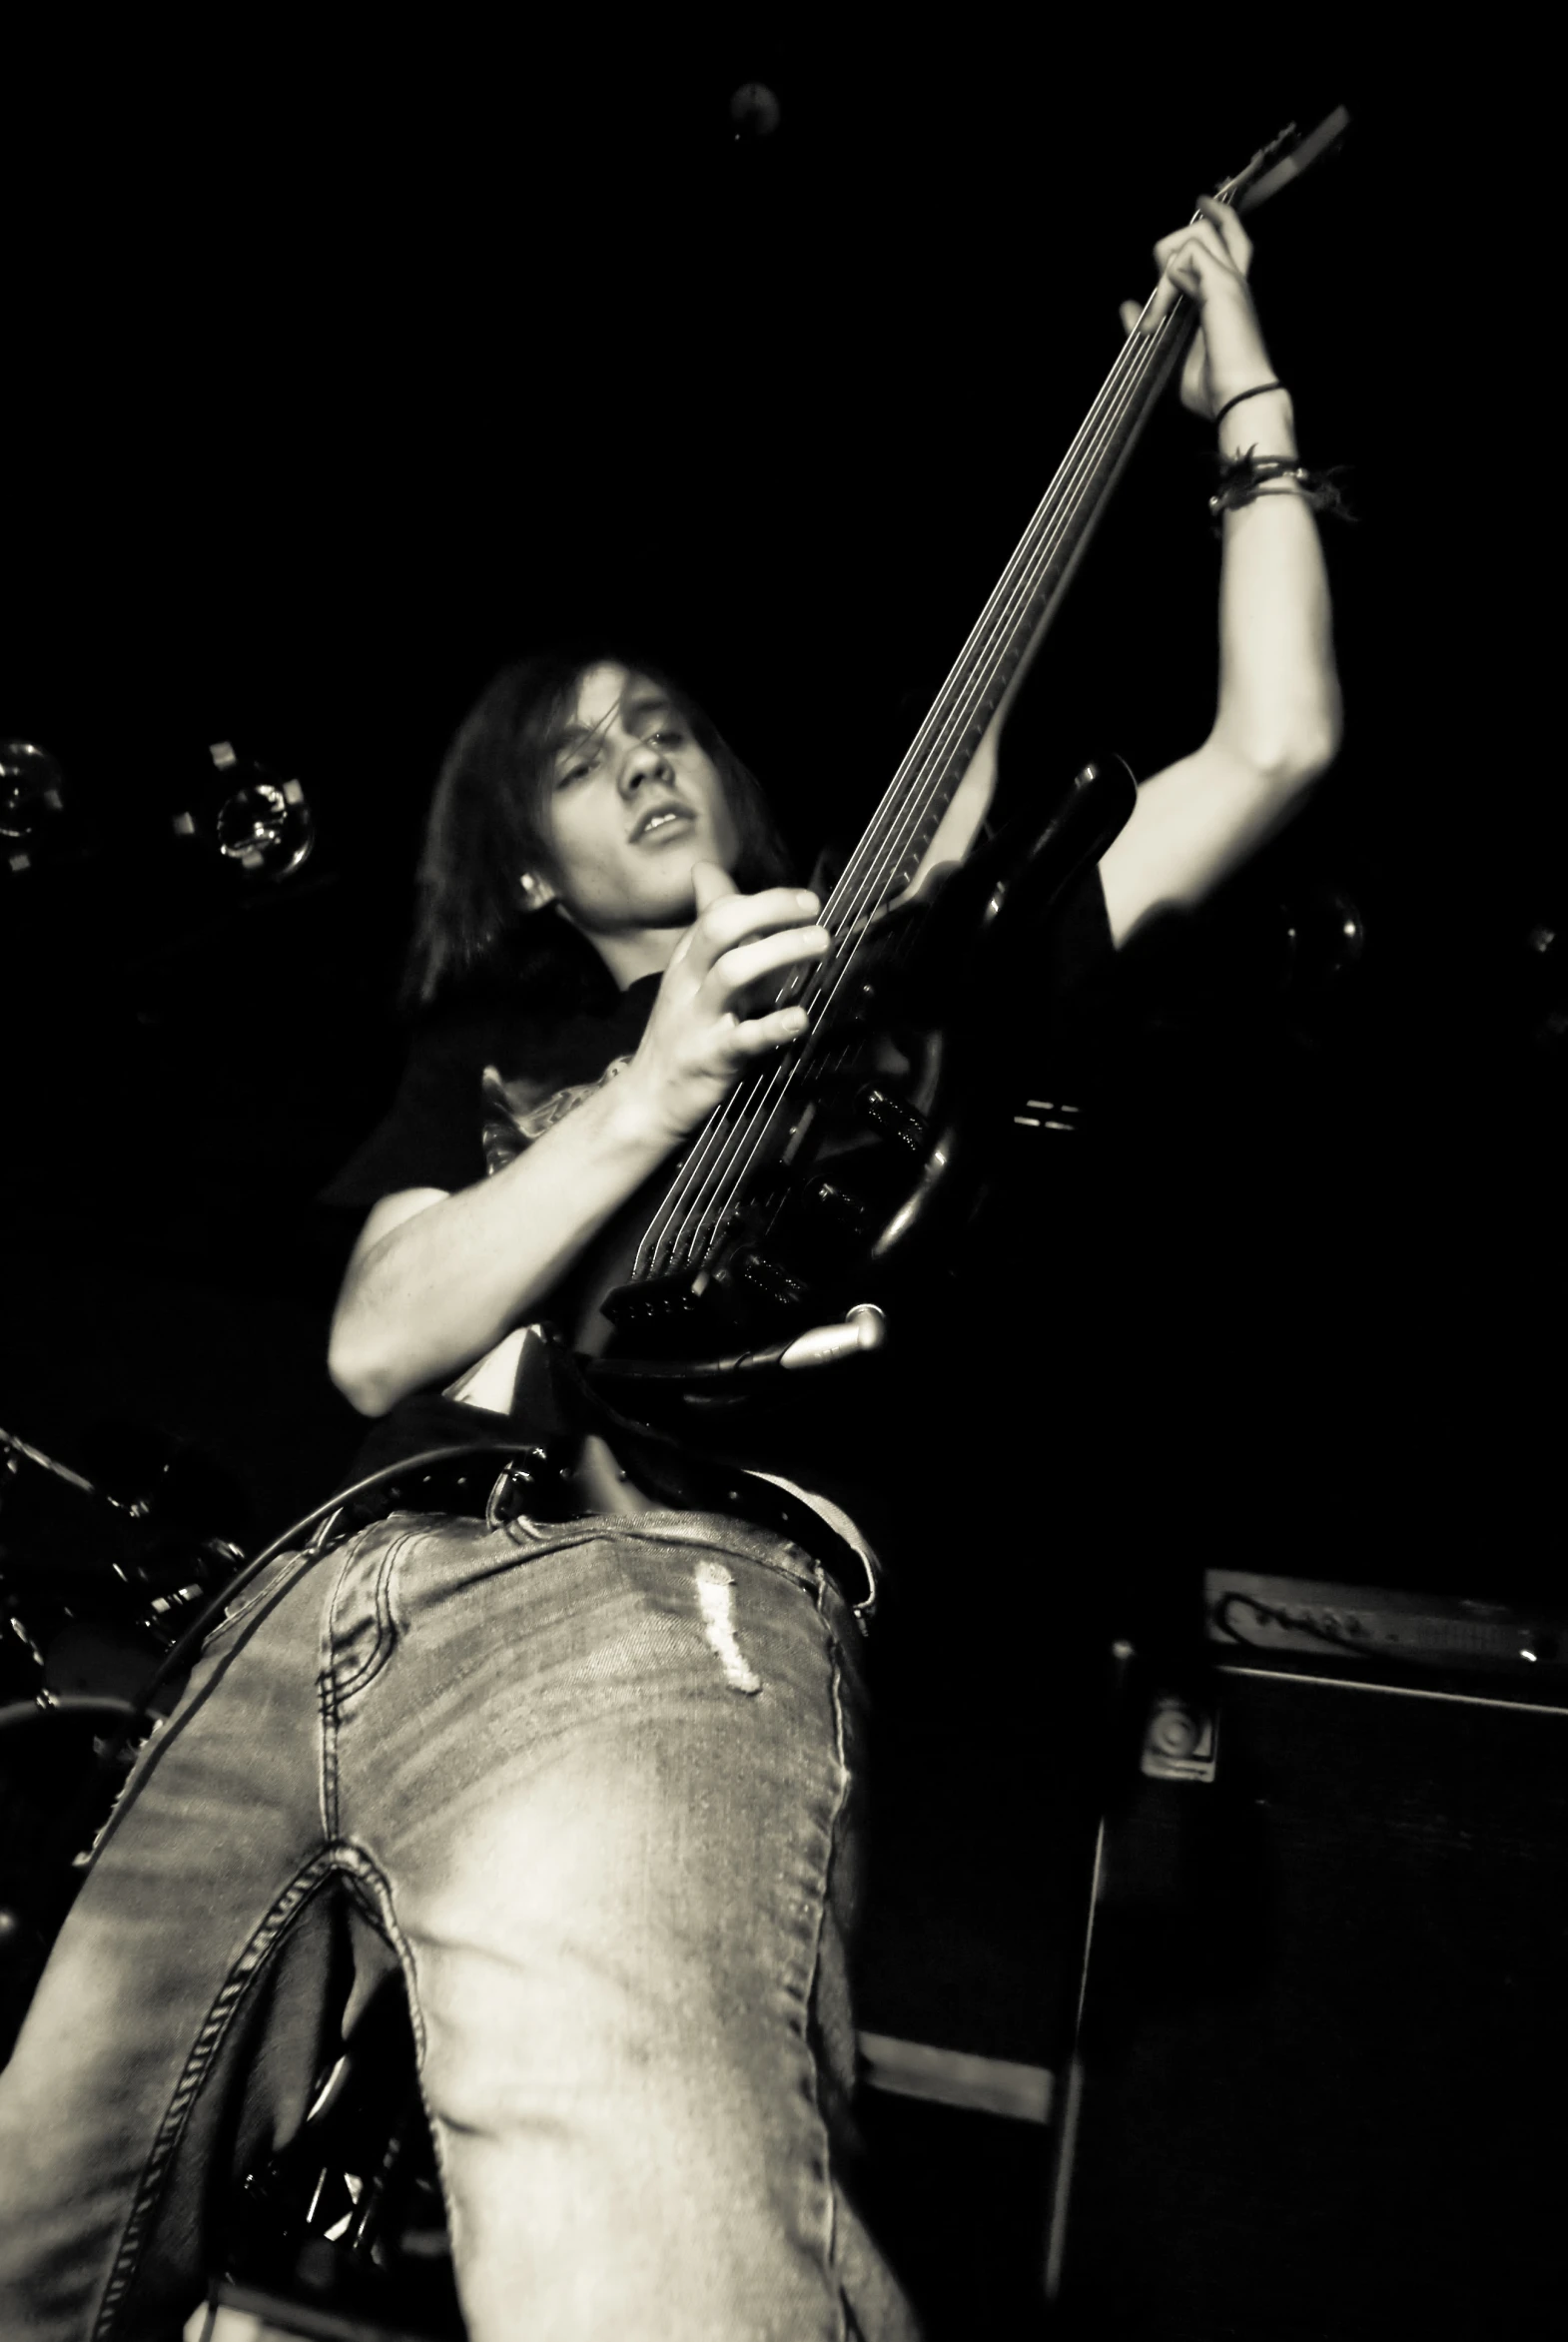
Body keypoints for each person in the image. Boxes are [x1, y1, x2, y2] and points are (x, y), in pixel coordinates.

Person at [0, 196, 1340, 2340]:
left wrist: (1234, 390)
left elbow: (1265, 745)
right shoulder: (493, 1051)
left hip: (651, 1596)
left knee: (635, 2247)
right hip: (333, 1596)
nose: (633, 749)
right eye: (573, 749)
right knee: (36, 2225)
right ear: (528, 859)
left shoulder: (904, 992)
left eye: (659, 720)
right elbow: (376, 1340)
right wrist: (638, 1094)